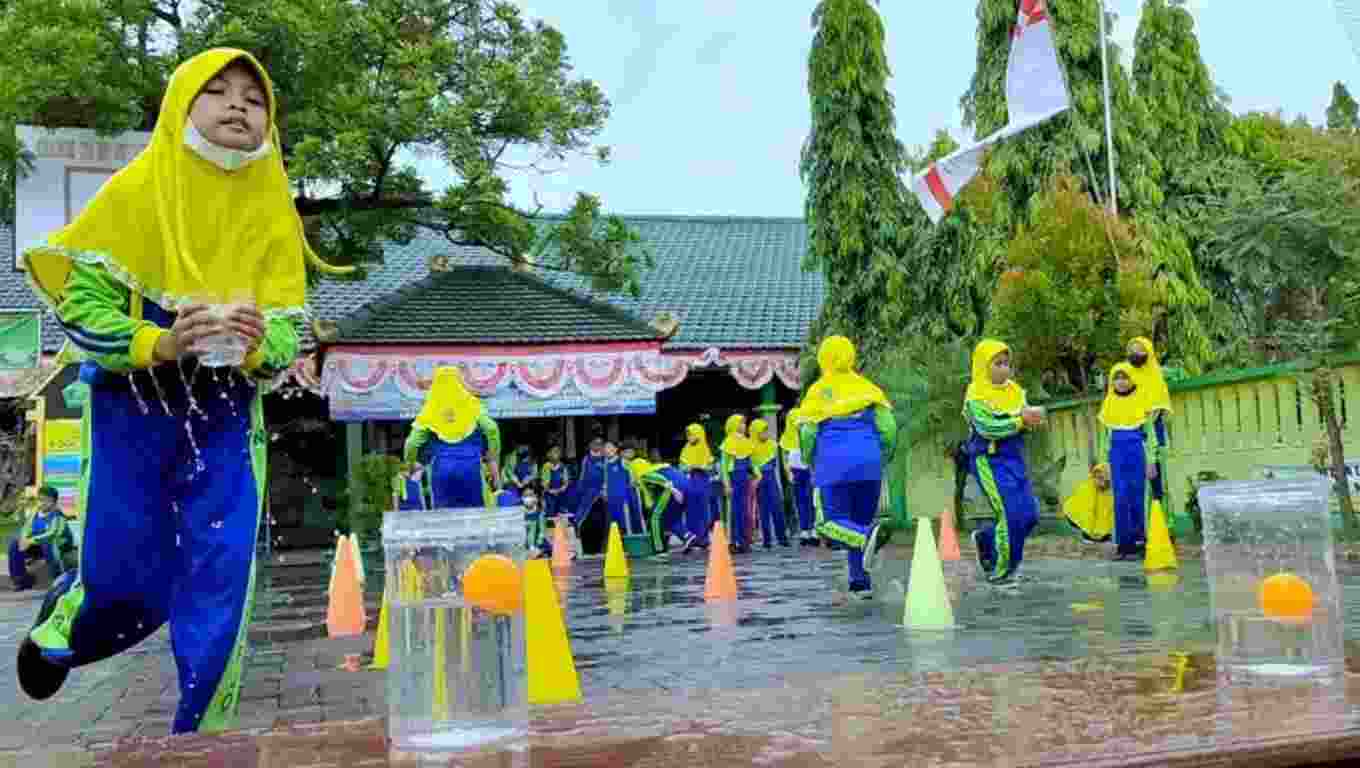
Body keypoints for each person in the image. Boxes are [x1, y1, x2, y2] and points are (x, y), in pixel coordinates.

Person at [15, 49, 349, 733]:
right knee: (125, 578)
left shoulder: (271, 213)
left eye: (254, 99)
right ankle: (70, 620)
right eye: (217, 91)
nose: (237, 105)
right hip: (130, 411)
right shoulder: (132, 195)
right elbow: (79, 312)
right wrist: (161, 341)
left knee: (223, 577)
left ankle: (202, 735)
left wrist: (260, 344)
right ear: (180, 106)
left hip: (227, 419)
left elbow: (288, 337)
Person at [801, 336, 895, 597]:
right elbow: (888, 428)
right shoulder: (869, 389)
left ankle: (866, 538)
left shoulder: (819, 391)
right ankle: (860, 583)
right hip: (870, 466)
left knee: (827, 522)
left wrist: (811, 460)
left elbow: (808, 434)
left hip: (834, 465)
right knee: (857, 521)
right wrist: (881, 455)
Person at [964, 339, 1044, 585]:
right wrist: (1020, 421)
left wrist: (1035, 418)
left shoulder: (1015, 392)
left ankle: (986, 539)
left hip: (1014, 460)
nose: (1004, 369)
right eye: (997, 363)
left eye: (1007, 364)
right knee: (1010, 514)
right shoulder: (975, 395)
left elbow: (1026, 415)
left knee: (1029, 515)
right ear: (983, 366)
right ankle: (1003, 570)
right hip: (989, 460)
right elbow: (988, 428)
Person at [405, 366, 502, 509]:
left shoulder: (431, 408)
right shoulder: (472, 405)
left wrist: (409, 463)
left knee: (445, 521)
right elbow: (492, 428)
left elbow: (411, 443)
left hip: (441, 473)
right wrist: (494, 452)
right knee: (475, 517)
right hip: (471, 472)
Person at [1100, 362, 1161, 560]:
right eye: (1117, 378)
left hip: (1137, 453)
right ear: (1112, 382)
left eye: (1125, 377)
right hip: (1116, 456)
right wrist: (1104, 464)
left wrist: (1151, 460)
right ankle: (1123, 545)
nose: (1121, 382)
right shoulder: (1108, 403)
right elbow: (1104, 439)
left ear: (1132, 379)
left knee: (1138, 496)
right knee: (1120, 498)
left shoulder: (1141, 400)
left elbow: (1150, 434)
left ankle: (1140, 542)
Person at [1126, 337, 1173, 534]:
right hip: (1131, 436)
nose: (1135, 354)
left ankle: (1163, 529)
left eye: (1139, 350)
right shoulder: (1127, 375)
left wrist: (1145, 423)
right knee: (1135, 486)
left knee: (1157, 485)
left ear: (1149, 353)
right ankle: (1140, 532)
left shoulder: (1156, 377)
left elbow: (1159, 409)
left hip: (1154, 436)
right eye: (1132, 350)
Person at [9, 486, 72, 592]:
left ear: (54, 502)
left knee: (49, 544)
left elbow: (52, 534)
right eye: (40, 500)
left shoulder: (58, 516)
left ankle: (58, 579)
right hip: (39, 546)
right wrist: (24, 539)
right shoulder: (35, 513)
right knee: (15, 544)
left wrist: (30, 541)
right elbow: (26, 528)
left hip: (58, 547)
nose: (42, 503)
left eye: (46, 501)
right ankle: (21, 580)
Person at [631, 456, 690, 554]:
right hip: (684, 485)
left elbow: (661, 480)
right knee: (670, 518)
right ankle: (687, 536)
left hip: (673, 489)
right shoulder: (656, 468)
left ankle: (659, 549)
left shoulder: (644, 474)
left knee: (655, 517)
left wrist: (675, 491)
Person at [719, 415, 759, 554]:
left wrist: (757, 476)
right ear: (733, 425)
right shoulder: (727, 442)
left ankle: (744, 541)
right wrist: (726, 485)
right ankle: (732, 542)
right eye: (741, 423)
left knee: (745, 512)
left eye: (744, 423)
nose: (744, 426)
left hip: (745, 481)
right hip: (733, 480)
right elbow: (723, 467)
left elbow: (752, 464)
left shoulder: (747, 442)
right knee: (732, 513)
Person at [749, 419, 789, 548]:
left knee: (777, 507)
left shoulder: (772, 445)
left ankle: (782, 538)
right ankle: (767, 540)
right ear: (755, 433)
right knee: (763, 510)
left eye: (766, 431)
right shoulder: (750, 447)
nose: (766, 434)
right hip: (758, 480)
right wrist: (757, 471)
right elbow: (750, 465)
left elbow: (773, 463)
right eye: (762, 431)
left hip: (770, 478)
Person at [781, 408, 817, 546]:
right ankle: (804, 529)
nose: (798, 424)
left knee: (811, 499)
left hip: (809, 470)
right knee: (800, 500)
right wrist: (788, 472)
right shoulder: (786, 438)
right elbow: (784, 458)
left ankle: (813, 529)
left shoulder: (808, 435)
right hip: (795, 472)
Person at [677, 423, 715, 551]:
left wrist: (701, 467)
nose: (689, 437)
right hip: (689, 482)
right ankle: (692, 538)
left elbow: (710, 467)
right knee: (690, 510)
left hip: (702, 482)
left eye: (691, 434)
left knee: (703, 511)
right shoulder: (685, 449)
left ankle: (703, 539)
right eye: (687, 435)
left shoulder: (705, 449)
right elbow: (681, 466)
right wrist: (688, 467)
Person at [602, 440, 645, 537]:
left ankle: (632, 541)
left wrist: (635, 484)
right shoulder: (605, 464)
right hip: (612, 499)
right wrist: (604, 491)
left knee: (627, 522)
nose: (607, 450)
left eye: (610, 447)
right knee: (614, 523)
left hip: (624, 499)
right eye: (606, 447)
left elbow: (633, 477)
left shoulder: (622, 461)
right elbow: (606, 479)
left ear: (616, 449)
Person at [1063, 464, 1114, 543]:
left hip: (1095, 524)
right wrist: (1088, 533)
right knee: (1088, 516)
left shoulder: (1107, 493)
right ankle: (1087, 536)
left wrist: (1105, 533)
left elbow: (1107, 514)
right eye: (1098, 478)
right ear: (1093, 477)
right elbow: (1086, 514)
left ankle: (1101, 536)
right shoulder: (1087, 489)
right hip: (1075, 516)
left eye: (1104, 479)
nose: (1101, 482)